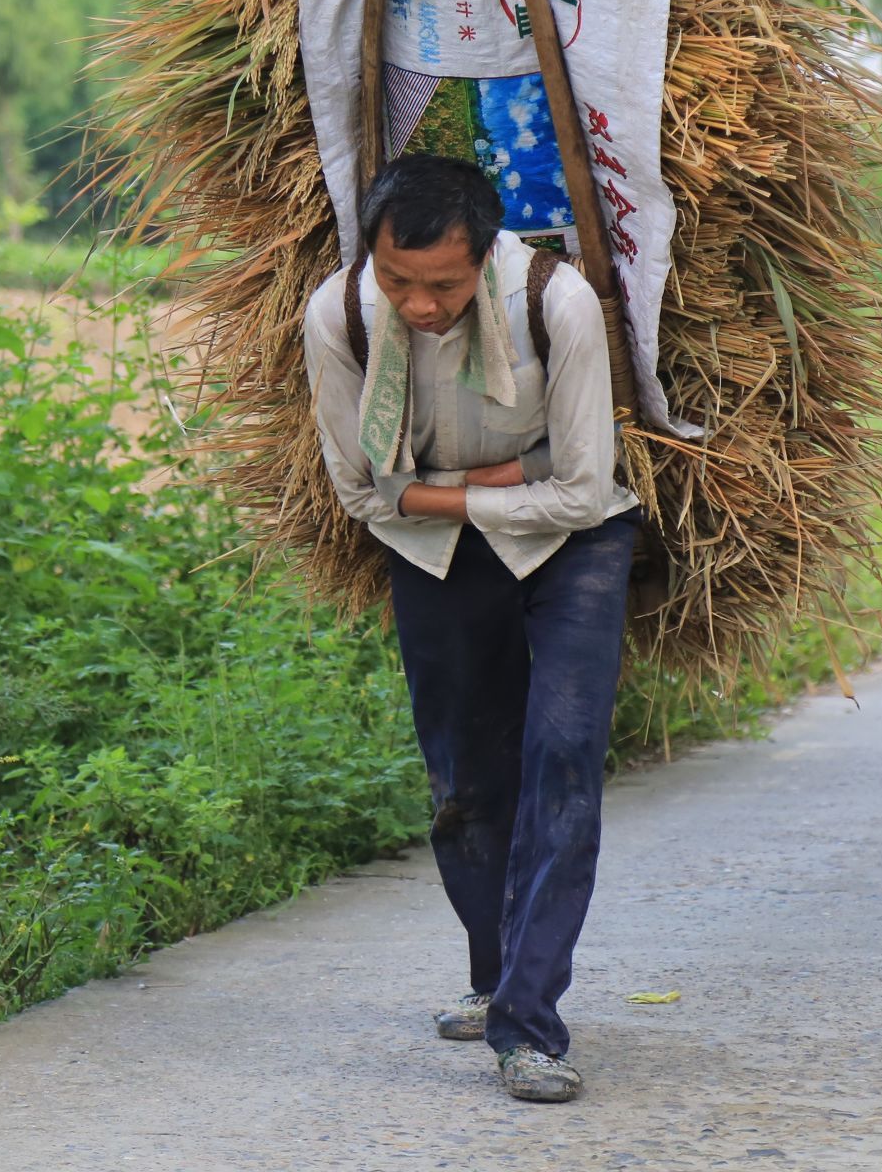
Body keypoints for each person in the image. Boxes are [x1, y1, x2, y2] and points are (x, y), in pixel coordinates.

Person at [300, 152, 644, 1104]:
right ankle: (492, 973)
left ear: (485, 255)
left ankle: (529, 1028)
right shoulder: (338, 314)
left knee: (563, 755)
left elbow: (579, 490)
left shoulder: (556, 303)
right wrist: (492, 483)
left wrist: (432, 492)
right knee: (464, 777)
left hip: (572, 549)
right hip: (433, 556)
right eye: (397, 281)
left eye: (442, 285)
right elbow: (356, 493)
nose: (417, 305)